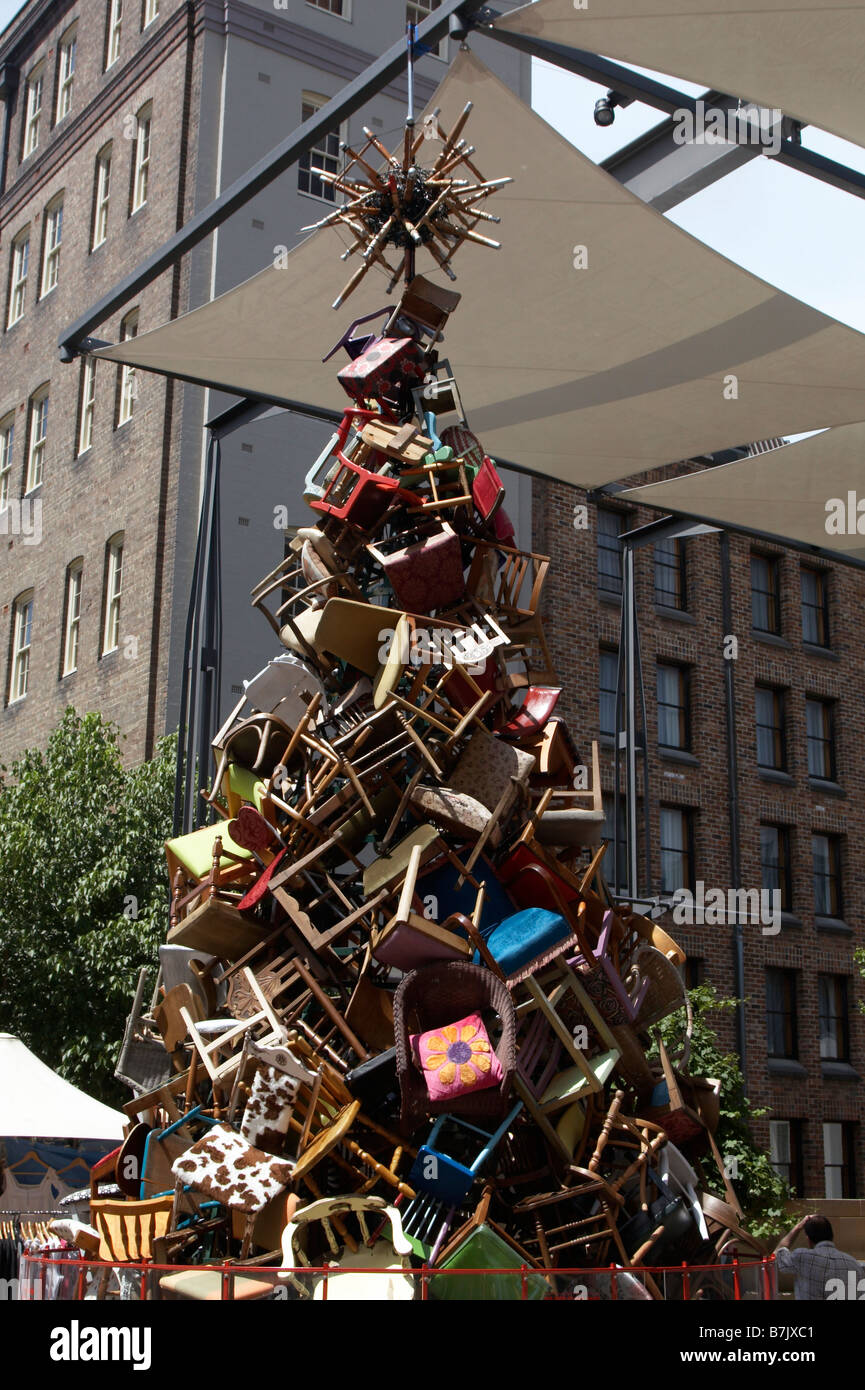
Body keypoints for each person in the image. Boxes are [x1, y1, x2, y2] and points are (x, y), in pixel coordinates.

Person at [774, 1214, 865, 1300]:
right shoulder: (854, 1264)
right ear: (831, 1236)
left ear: (808, 1239)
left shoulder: (802, 1258)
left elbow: (776, 1255)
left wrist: (798, 1227)